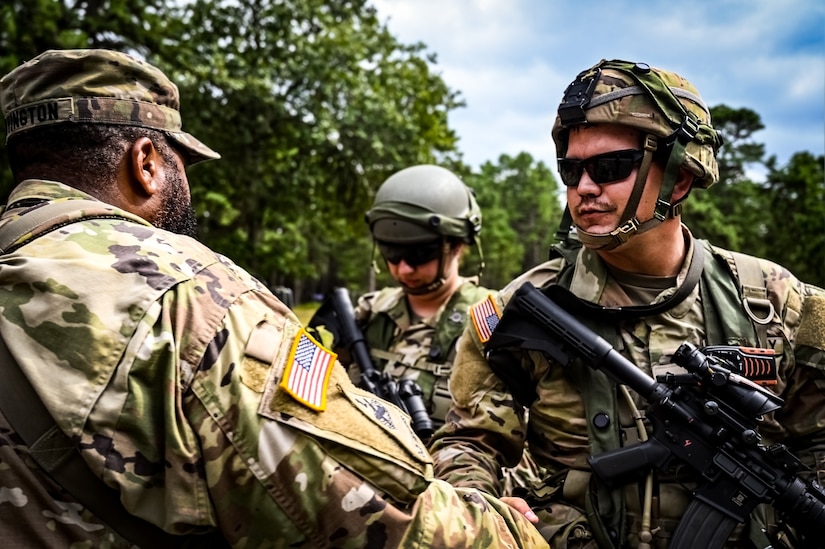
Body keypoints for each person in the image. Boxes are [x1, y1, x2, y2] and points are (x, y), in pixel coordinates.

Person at [0, 48, 549, 548]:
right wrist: (509, 532)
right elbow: (365, 513)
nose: (402, 268)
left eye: (421, 252)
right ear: (147, 162)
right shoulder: (193, 299)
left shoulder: (492, 315)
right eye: (180, 164)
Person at [429, 58, 825, 549]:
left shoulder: (778, 301)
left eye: (609, 167)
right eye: (571, 170)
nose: (584, 188)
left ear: (678, 179)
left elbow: (817, 438)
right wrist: (477, 503)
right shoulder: (521, 309)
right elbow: (469, 441)